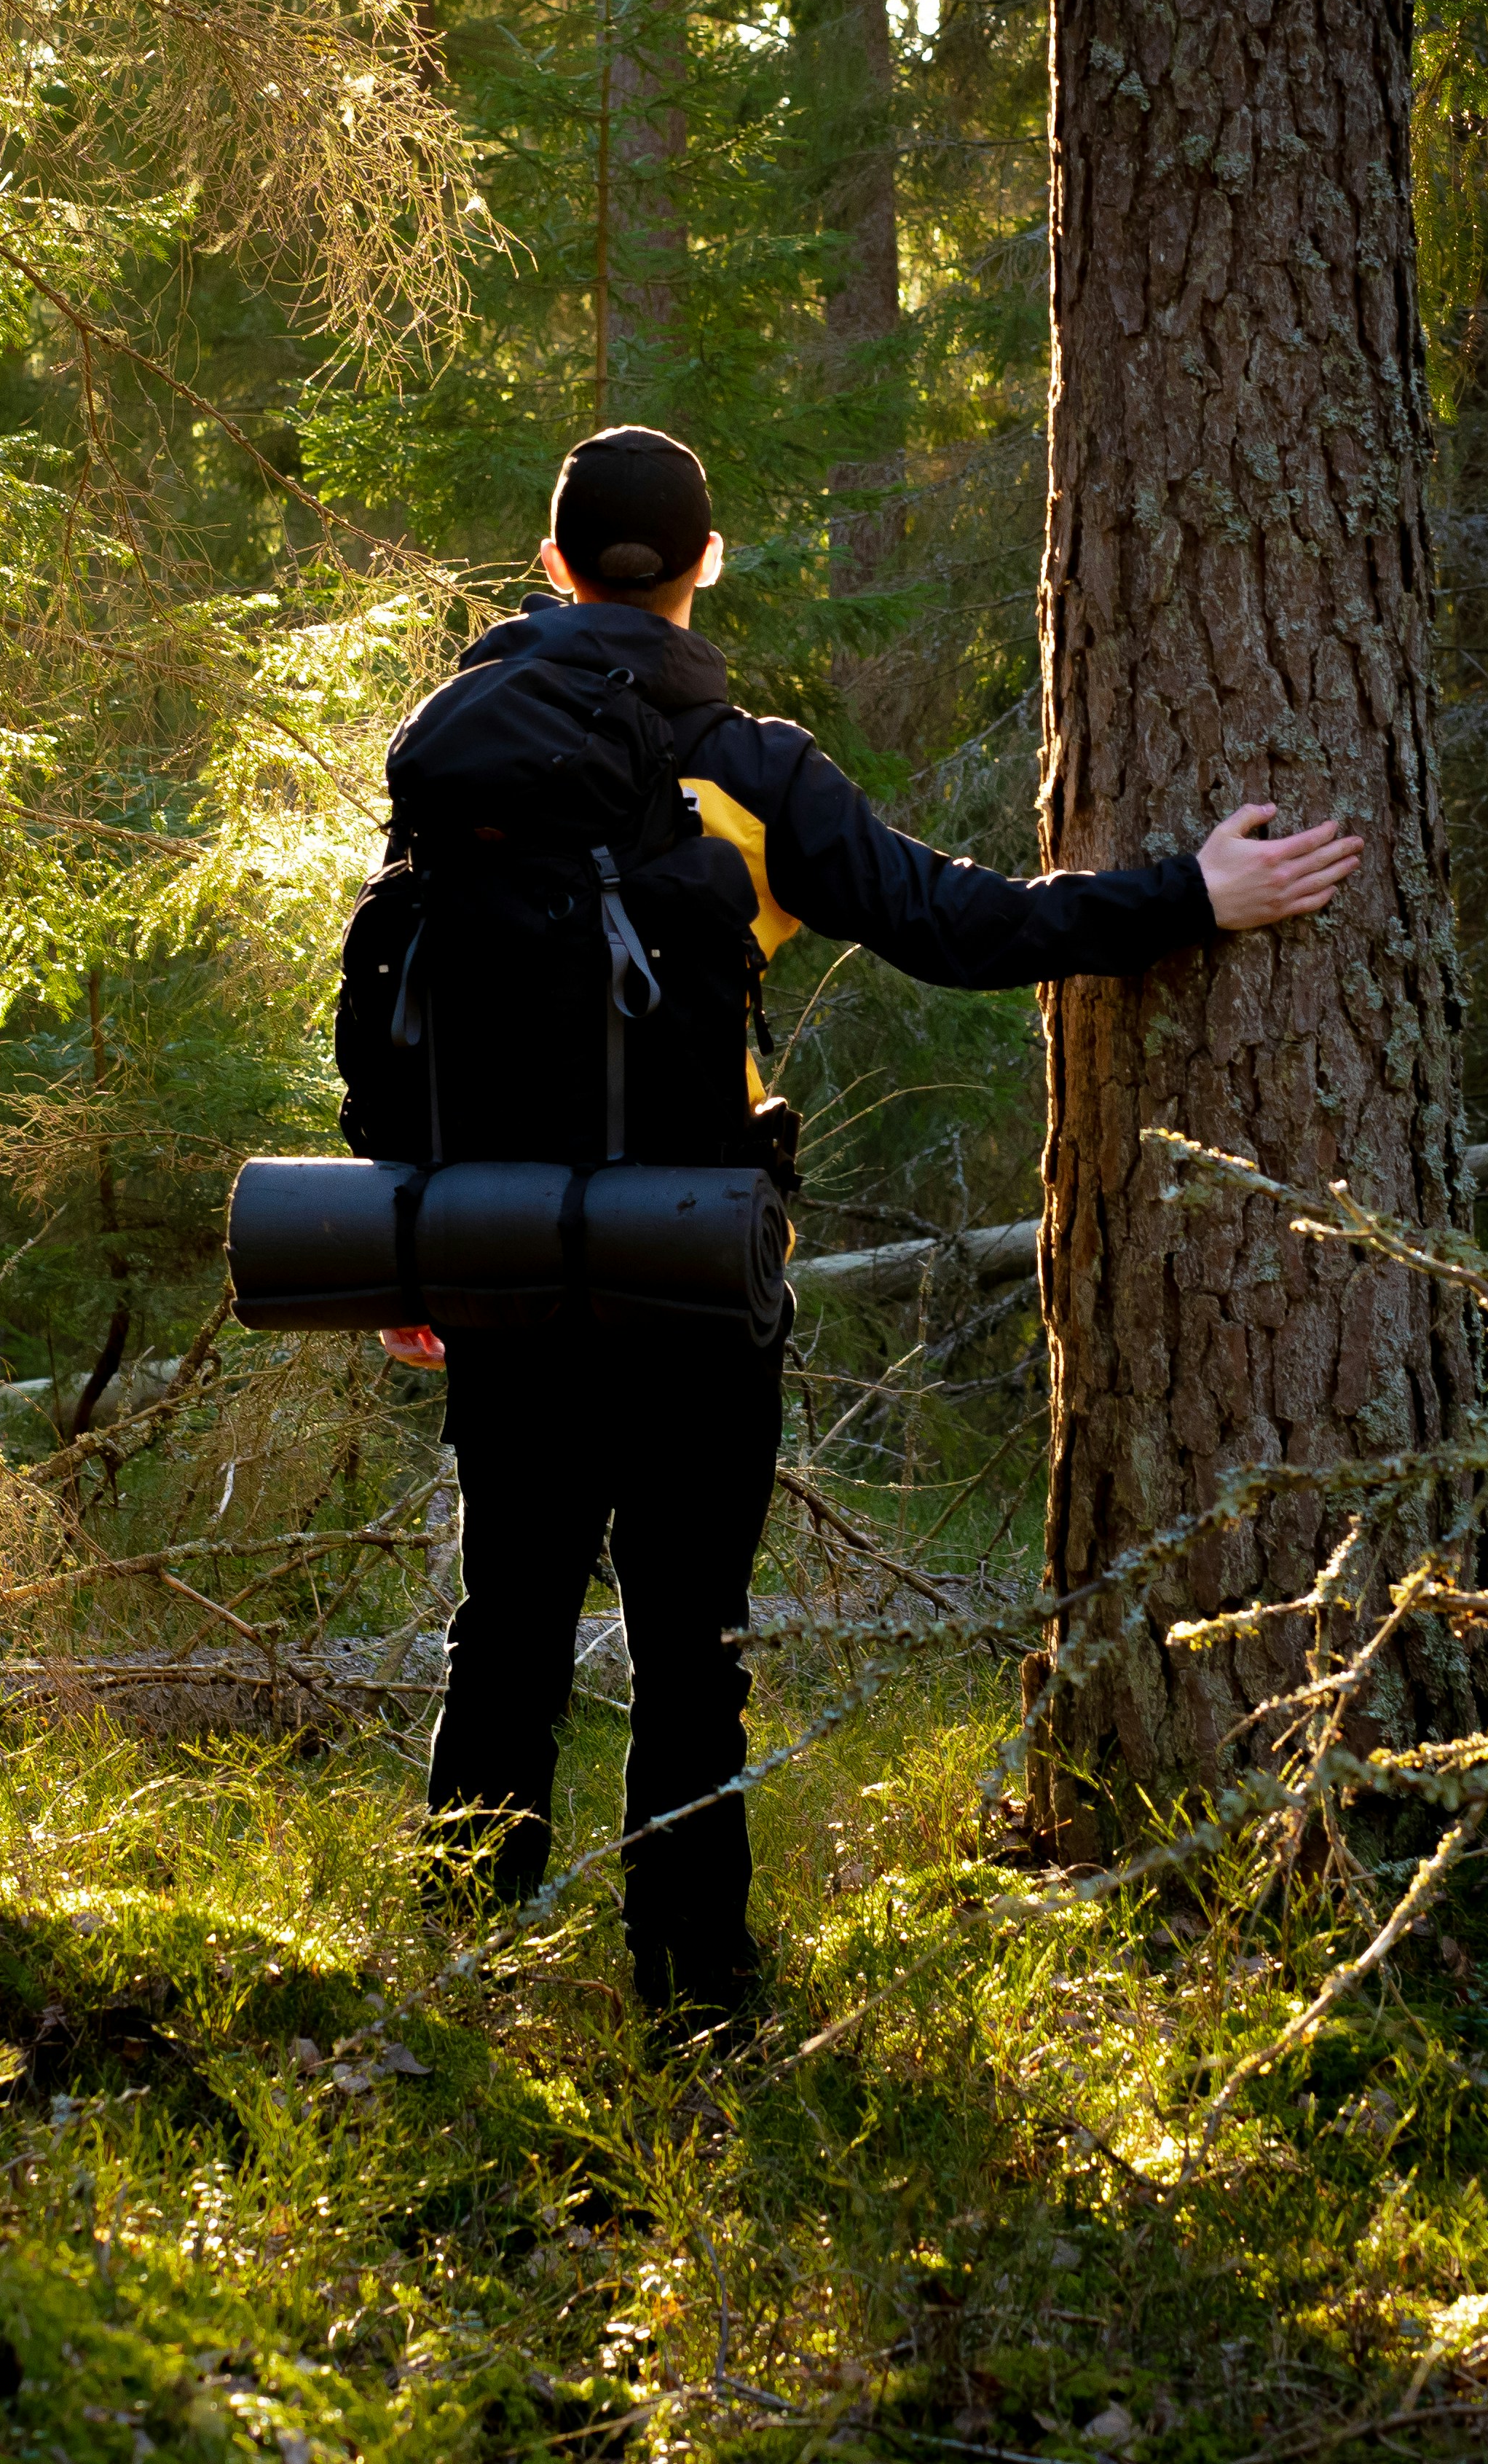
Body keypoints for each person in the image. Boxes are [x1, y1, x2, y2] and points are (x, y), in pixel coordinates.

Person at [402, 425, 1363, 2026]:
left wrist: (423, 1234)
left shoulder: (455, 757)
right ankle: (699, 2009)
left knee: (505, 1622)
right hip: (692, 1264)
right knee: (689, 1650)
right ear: (709, 563)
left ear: (553, 566)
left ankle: (441, 1990)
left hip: (499, 1255)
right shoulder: (756, 770)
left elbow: (403, 1004)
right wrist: (1189, 895)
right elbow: (964, 923)